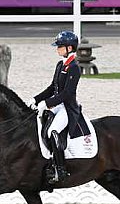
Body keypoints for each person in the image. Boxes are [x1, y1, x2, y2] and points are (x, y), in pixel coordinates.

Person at [30, 30, 82, 184]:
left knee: (53, 131)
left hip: (67, 108)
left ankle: (61, 170)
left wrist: (47, 104)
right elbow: (52, 88)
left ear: (69, 48)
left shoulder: (74, 67)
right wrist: (36, 99)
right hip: (57, 105)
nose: (57, 49)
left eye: (60, 46)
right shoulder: (61, 65)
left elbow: (67, 93)